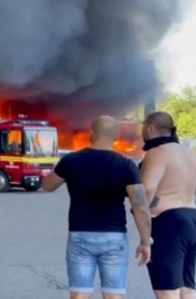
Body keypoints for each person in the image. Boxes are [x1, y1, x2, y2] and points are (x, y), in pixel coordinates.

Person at [42, 115, 152, 299]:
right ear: (116, 136)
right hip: (114, 236)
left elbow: (47, 186)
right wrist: (145, 241)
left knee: (79, 293)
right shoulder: (125, 165)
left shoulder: (71, 160)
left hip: (80, 234)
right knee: (113, 295)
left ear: (91, 133)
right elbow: (140, 206)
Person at [139, 111, 196, 299]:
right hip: (192, 219)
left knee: (167, 291)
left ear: (150, 128)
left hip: (168, 224)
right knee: (187, 288)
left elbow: (147, 189)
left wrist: (148, 211)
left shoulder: (156, 153)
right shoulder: (190, 154)